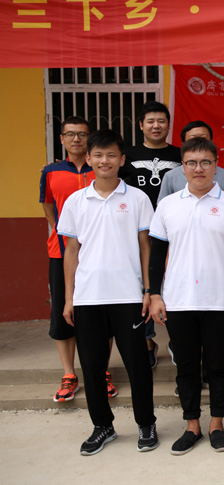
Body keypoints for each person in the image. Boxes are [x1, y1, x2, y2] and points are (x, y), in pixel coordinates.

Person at [148, 138, 224, 455]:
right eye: (192, 163)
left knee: (218, 365)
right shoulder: (168, 205)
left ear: (216, 166)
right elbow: (156, 254)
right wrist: (155, 294)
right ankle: (191, 425)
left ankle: (217, 424)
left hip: (219, 299)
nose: (198, 169)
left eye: (205, 162)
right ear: (182, 167)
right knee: (186, 367)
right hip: (178, 299)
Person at [59, 130, 157, 455]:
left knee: (137, 365)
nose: (105, 161)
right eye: (98, 155)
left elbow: (145, 246)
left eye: (111, 155)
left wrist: (148, 289)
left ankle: (146, 423)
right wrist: (69, 298)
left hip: (128, 296)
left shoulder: (138, 199)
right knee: (92, 367)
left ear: (122, 159)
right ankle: (103, 426)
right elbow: (71, 250)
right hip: (88, 297)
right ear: (88, 159)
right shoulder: (76, 201)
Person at [40, 117, 117, 402]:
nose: (76, 139)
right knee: (63, 312)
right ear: (61, 138)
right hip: (62, 252)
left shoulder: (101, 167)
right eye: (70, 134)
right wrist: (63, 232)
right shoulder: (51, 171)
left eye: (82, 134)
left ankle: (102, 370)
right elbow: (48, 205)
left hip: (100, 253)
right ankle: (69, 373)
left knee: (102, 313)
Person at [121, 101, 181, 367]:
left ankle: (178, 341)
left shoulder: (180, 155)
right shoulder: (127, 155)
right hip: (139, 231)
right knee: (142, 286)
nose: (156, 126)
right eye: (151, 121)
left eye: (161, 121)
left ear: (168, 124)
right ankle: (147, 341)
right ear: (141, 125)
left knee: (174, 283)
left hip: (175, 230)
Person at [157, 121, 224, 202]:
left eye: (203, 139)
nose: (198, 143)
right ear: (183, 144)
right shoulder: (171, 176)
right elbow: (163, 205)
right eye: (193, 139)